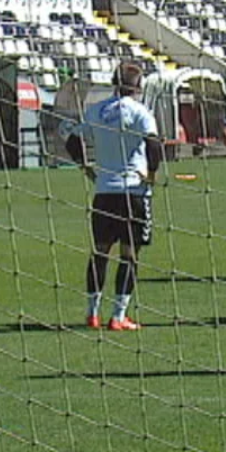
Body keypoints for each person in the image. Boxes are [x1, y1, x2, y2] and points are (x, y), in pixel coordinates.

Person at [65, 63, 162, 331]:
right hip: (132, 191)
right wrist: (152, 174)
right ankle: (119, 316)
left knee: (100, 251)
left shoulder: (97, 110)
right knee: (129, 254)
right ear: (138, 87)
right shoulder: (141, 112)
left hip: (104, 191)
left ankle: (92, 312)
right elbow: (154, 145)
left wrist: (85, 167)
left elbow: (73, 140)